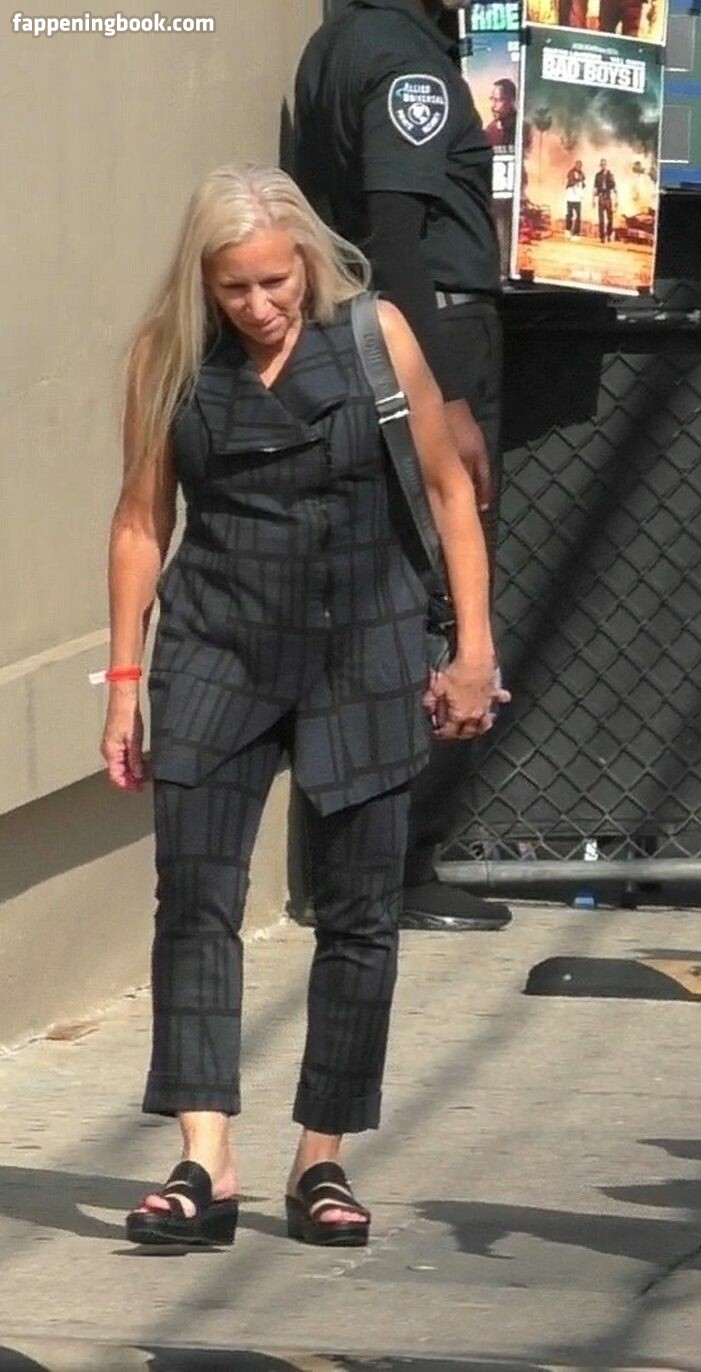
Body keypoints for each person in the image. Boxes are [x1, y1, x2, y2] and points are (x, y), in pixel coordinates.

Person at [105, 165, 501, 1248]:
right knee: (194, 897)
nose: (259, 305)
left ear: (308, 262)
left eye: (275, 281)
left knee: (360, 913)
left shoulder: (374, 336)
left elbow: (449, 490)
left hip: (363, 647)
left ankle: (321, 1157)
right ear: (203, 281)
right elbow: (141, 522)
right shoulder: (168, 358)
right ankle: (205, 1157)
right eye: (233, 287)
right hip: (215, 645)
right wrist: (125, 681)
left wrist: (474, 649)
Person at [294, 0, 512, 933]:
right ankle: (398, 864)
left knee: (395, 580)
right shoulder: (402, 60)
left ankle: (371, 858)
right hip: (431, 332)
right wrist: (446, 398)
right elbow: (393, 232)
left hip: (386, 331)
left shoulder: (345, 40)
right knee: (440, 588)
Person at [484, 77, 518, 150]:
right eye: (492, 99)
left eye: (498, 100)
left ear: (512, 100)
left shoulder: (521, 128)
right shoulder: (490, 130)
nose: (493, 105)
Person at [594, 159, 617, 241]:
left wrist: (616, 200)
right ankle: (602, 236)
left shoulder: (610, 175)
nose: (603, 166)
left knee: (610, 218)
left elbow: (614, 187)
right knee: (601, 219)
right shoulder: (598, 175)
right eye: (602, 165)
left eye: (604, 164)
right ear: (600, 166)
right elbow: (595, 187)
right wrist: (593, 199)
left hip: (608, 197)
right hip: (601, 197)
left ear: (606, 165)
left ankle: (609, 234)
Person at [565, 160, 587, 236]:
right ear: (575, 165)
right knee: (570, 214)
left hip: (578, 198)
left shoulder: (581, 174)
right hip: (571, 197)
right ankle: (568, 230)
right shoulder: (571, 172)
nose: (579, 167)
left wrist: (582, 183)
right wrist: (578, 181)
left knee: (578, 215)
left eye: (580, 166)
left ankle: (576, 233)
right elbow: (571, 182)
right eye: (578, 165)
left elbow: (583, 184)